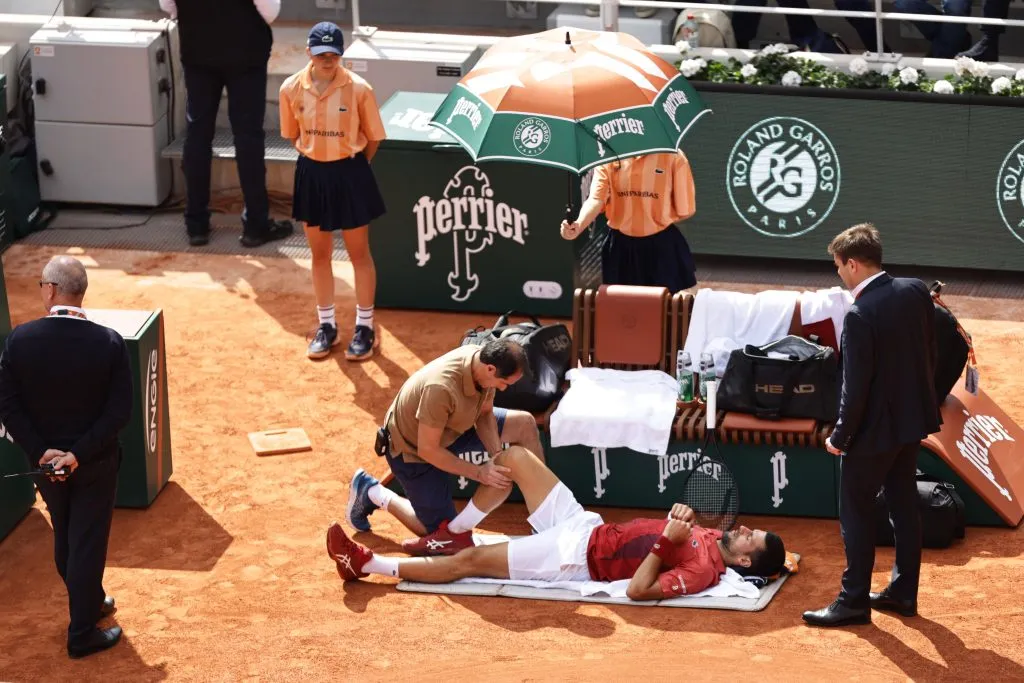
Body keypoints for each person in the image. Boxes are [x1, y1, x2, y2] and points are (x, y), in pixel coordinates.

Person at [328, 445, 787, 600]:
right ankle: (395, 501)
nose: (744, 528)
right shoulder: (713, 537)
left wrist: (666, 541)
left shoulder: (704, 571)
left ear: (745, 558)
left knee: (468, 559)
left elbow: (638, 590)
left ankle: (367, 564)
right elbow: (663, 531)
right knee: (514, 458)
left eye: (750, 537)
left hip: (573, 559)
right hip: (584, 524)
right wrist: (677, 518)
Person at [803, 224, 941, 627]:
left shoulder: (860, 314)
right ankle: (902, 593)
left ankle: (853, 602)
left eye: (839, 268)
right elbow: (927, 351)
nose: (839, 276)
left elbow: (855, 387)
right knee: (903, 504)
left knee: (856, 512)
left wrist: (840, 436)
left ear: (853, 263)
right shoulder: (915, 290)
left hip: (874, 434)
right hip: (910, 423)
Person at [0, 256, 133, 658]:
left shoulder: (19, 340)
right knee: (87, 544)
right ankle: (81, 634)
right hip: (94, 464)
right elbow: (119, 412)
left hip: (44, 466)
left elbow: (7, 405)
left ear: (52, 290)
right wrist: (76, 454)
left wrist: (44, 453)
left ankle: (89, 601)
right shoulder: (108, 342)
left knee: (67, 535)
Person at [345, 339, 545, 556]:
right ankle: (373, 492)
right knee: (440, 534)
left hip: (456, 426)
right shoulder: (440, 387)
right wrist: (480, 472)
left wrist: (496, 457)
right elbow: (428, 450)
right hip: (413, 450)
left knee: (524, 424)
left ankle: (544, 515)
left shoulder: (483, 367)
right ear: (490, 369)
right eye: (504, 382)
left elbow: (485, 413)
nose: (505, 388)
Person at [279, 21, 388, 361]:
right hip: (311, 174)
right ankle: (326, 326)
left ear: (341, 55)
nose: (328, 60)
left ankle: (365, 327)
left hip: (350, 171)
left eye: (334, 54)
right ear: (309, 52)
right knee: (320, 254)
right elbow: (290, 133)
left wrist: (352, 169)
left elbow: (373, 138)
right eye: (321, 53)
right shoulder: (290, 88)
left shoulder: (359, 88)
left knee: (358, 253)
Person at [158, 0, 295, 248]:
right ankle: (255, 225)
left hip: (198, 51)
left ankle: (196, 225)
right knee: (248, 137)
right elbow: (270, 12)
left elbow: (167, 5)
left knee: (198, 135)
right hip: (246, 53)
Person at [560, 150, 698, 293]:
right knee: (622, 309)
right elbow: (596, 199)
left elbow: (686, 209)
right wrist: (578, 224)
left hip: (663, 249)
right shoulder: (607, 155)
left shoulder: (674, 156)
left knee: (668, 310)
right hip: (620, 250)